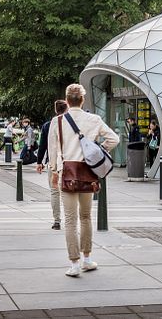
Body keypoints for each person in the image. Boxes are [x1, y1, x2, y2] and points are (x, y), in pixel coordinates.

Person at [48, 84, 119, 277]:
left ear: (67, 99)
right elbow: (114, 139)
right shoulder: (94, 119)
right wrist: (98, 151)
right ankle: (87, 258)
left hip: (67, 173)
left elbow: (53, 149)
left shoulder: (58, 121)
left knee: (70, 219)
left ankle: (74, 263)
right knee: (86, 217)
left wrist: (54, 171)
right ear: (83, 99)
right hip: (88, 172)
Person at [36, 99, 68, 230]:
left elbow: (42, 145)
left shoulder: (48, 125)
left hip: (53, 163)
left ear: (56, 110)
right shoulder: (70, 124)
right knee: (68, 192)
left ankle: (57, 221)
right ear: (66, 109)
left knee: (55, 192)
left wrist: (39, 162)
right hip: (69, 163)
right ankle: (70, 219)